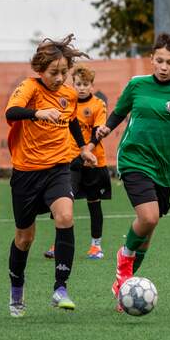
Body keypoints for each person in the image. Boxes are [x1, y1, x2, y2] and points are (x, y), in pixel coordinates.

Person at [96, 33, 170, 312]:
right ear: (152, 59)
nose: (164, 67)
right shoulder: (137, 85)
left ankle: (125, 286)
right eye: (159, 60)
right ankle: (124, 262)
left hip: (163, 169)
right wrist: (106, 128)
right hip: (133, 159)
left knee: (149, 229)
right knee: (148, 217)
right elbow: (119, 112)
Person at [5, 34, 97, 317]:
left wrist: (83, 148)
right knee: (25, 238)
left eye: (63, 72)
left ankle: (60, 289)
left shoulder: (69, 94)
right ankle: (17, 291)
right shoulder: (29, 87)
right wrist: (37, 113)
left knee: (66, 217)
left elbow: (72, 123)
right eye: (53, 72)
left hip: (58, 169)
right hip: (26, 174)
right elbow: (12, 111)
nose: (59, 78)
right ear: (40, 69)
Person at [44, 64, 112, 260]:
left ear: (92, 85)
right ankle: (58, 244)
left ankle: (96, 246)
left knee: (94, 204)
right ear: (72, 84)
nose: (82, 88)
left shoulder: (98, 104)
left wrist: (86, 151)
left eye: (86, 84)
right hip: (69, 161)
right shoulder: (67, 102)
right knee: (63, 202)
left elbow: (98, 132)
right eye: (78, 84)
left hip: (93, 161)